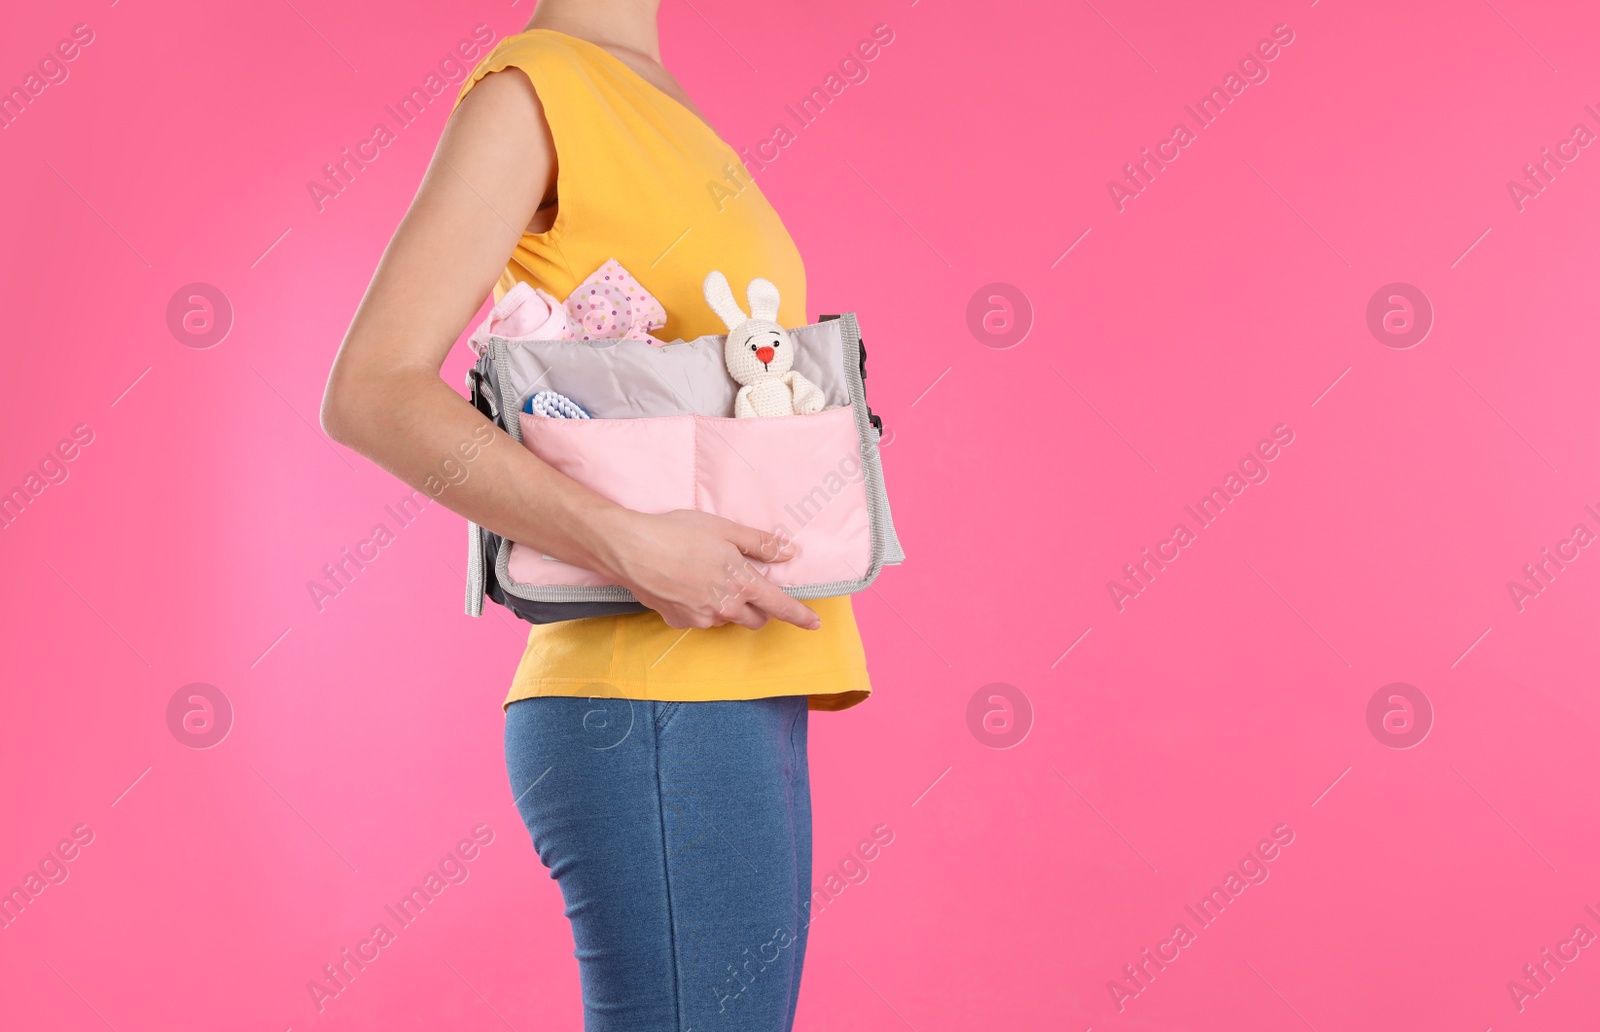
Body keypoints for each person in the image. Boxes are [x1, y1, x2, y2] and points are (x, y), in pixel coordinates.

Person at [320, 1, 875, 1027]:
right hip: (653, 703)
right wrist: (632, 543)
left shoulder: (660, 102)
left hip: (746, 685)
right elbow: (370, 391)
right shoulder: (535, 91)